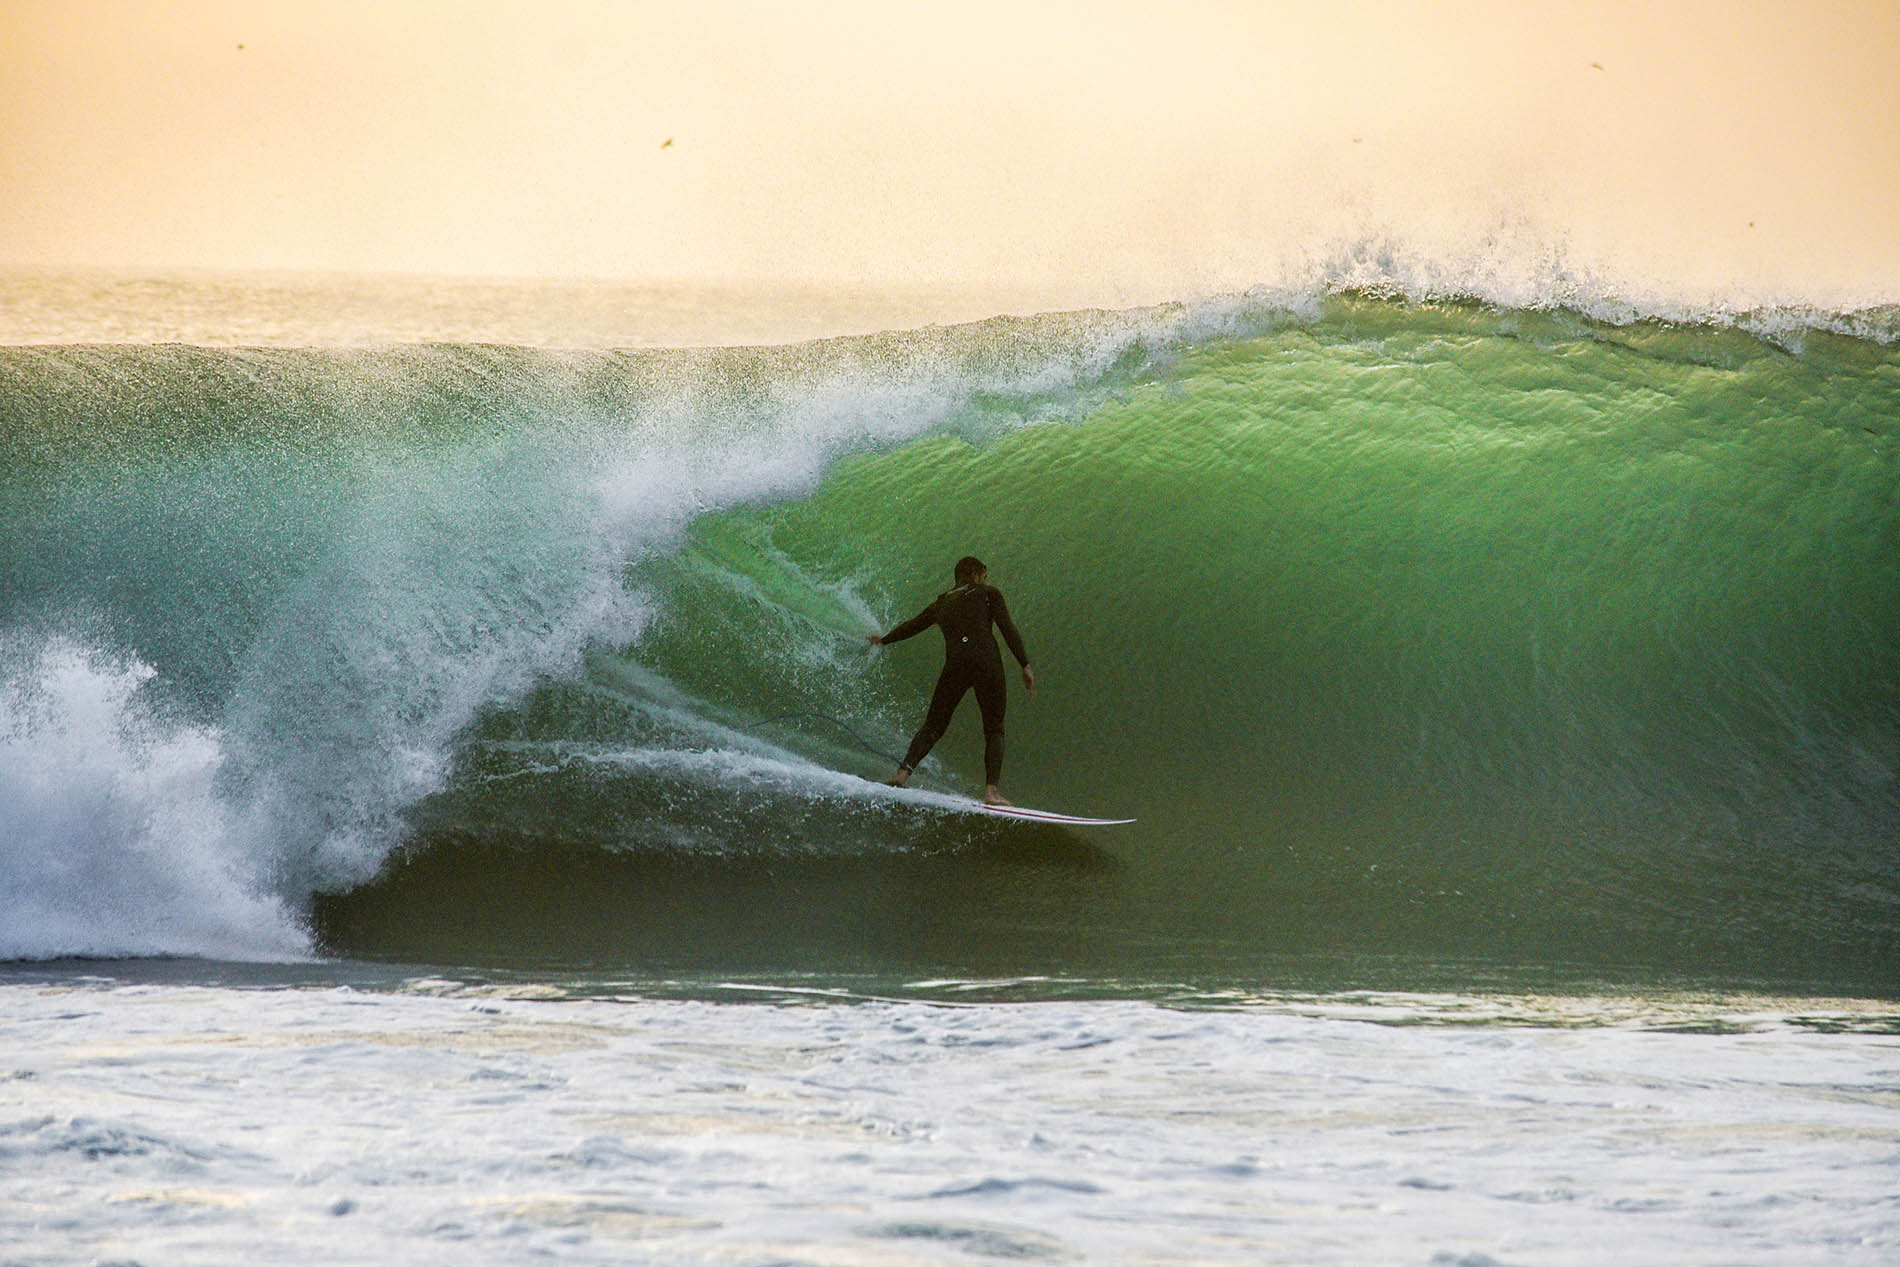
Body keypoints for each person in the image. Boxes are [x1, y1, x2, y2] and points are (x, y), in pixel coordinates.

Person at [867, 556, 1036, 805]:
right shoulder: (988, 593)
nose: (984, 580)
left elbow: (913, 626)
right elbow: (1007, 628)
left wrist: (884, 639)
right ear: (976, 574)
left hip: (956, 664)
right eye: (983, 576)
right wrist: (1025, 664)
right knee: (994, 729)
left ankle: (901, 774)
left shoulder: (942, 602)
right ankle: (991, 792)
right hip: (986, 661)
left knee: (933, 726)